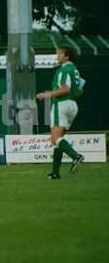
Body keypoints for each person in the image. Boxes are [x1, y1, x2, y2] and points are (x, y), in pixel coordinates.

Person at [36, 45, 85, 180]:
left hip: (61, 104)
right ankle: (55, 173)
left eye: (59, 54)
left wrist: (46, 95)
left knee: (55, 139)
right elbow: (80, 91)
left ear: (66, 56)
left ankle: (76, 156)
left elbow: (65, 89)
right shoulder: (75, 70)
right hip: (73, 105)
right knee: (58, 140)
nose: (57, 56)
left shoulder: (64, 70)